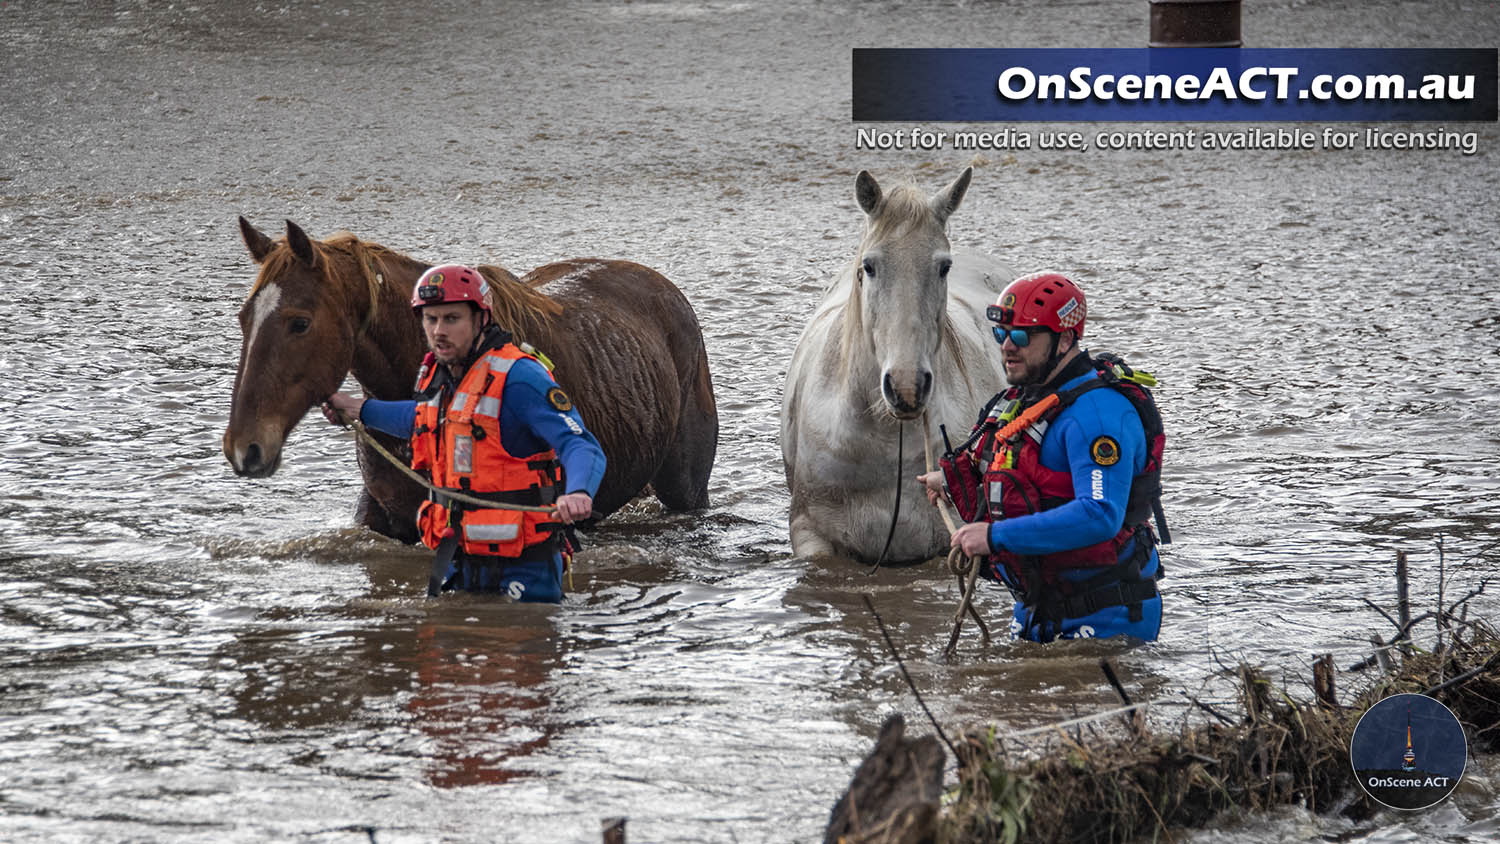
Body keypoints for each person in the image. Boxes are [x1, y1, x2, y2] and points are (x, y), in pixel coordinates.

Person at [324, 264, 606, 602]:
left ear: (481, 319)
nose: (439, 331)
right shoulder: (440, 377)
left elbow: (579, 443)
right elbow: (422, 420)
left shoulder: (520, 377)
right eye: (431, 319)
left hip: (525, 563)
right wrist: (357, 409)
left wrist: (579, 492)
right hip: (458, 555)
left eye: (452, 319)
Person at [918, 272, 1168, 642]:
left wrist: (993, 536)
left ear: (1065, 339)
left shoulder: (1098, 415)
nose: (1007, 347)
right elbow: (1020, 465)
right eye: (1001, 335)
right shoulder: (1028, 397)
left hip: (1105, 614)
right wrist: (951, 480)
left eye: (1021, 336)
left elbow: (1100, 515)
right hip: (1039, 605)